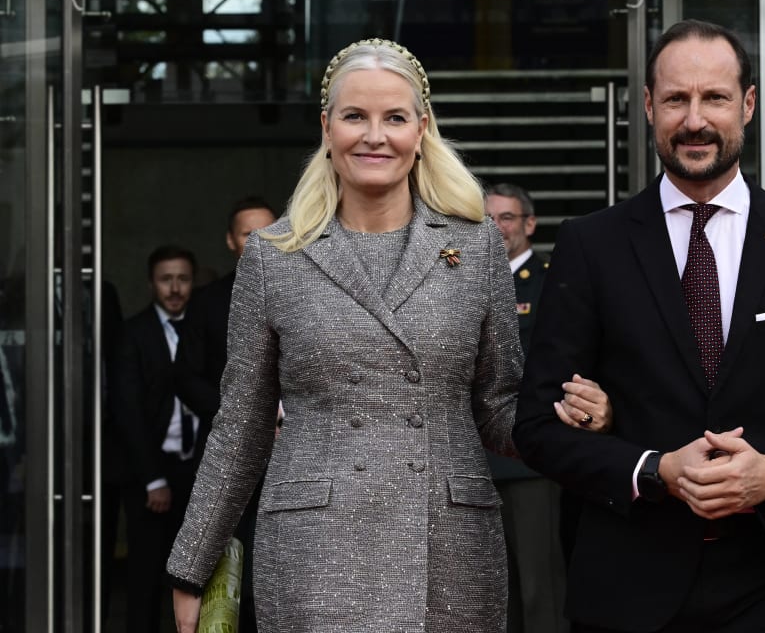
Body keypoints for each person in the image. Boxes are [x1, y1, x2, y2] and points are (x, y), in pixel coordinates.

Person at [165, 38, 610, 633]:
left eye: (395, 118)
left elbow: (499, 406)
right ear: (327, 127)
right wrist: (191, 566)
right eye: (355, 116)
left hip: (449, 548)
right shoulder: (274, 255)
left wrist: (567, 417)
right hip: (314, 550)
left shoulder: (475, 245)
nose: (375, 136)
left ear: (421, 130)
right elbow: (242, 424)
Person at [513, 20, 765, 633]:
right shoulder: (591, 245)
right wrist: (653, 468)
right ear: (647, 106)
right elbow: (536, 427)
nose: (694, 120)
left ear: (747, 104)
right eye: (675, 99)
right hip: (630, 587)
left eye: (714, 97)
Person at [484, 183, 592, 633]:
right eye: (487, 218)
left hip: (531, 458)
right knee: (492, 590)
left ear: (529, 224)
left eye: (506, 218)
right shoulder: (462, 278)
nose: (496, 227)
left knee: (539, 586)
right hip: (474, 458)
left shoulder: (552, 280)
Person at [175, 196, 277, 633]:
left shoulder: (306, 291)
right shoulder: (207, 302)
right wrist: (245, 415)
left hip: (297, 450)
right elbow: (185, 377)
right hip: (230, 451)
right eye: (249, 233)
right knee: (228, 558)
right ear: (231, 241)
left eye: (269, 230)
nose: (260, 240)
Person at [111, 245, 211, 633]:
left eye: (183, 279)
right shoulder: (133, 333)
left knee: (199, 572)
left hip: (198, 468)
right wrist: (153, 479)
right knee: (146, 575)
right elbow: (127, 411)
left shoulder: (205, 328)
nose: (174, 288)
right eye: (165, 279)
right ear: (151, 284)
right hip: (151, 470)